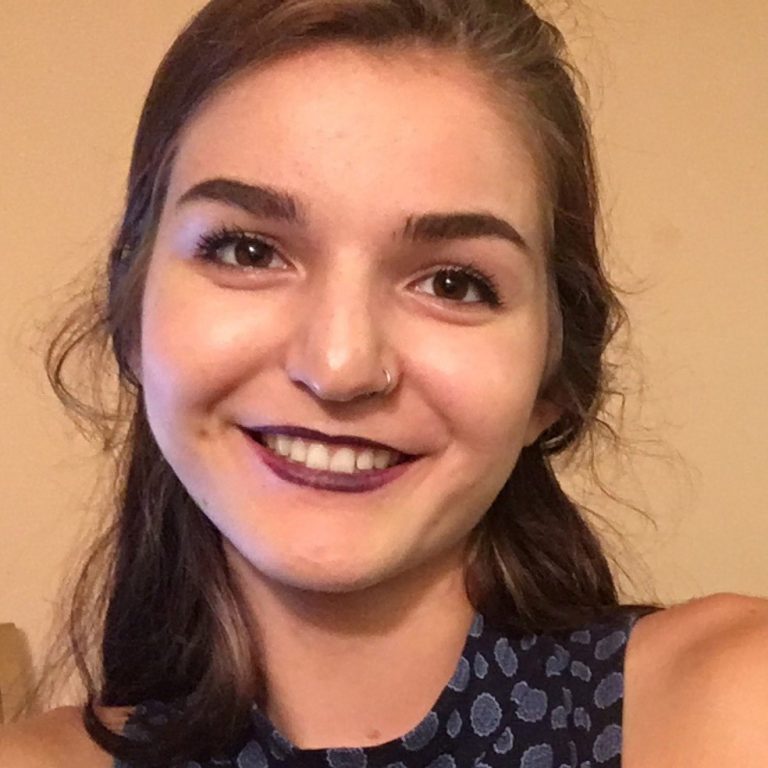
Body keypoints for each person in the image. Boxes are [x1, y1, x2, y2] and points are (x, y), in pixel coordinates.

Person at [1, 0, 766, 765]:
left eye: (455, 284)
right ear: (132, 315)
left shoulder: (734, 706)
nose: (340, 367)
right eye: (247, 251)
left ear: (550, 381)